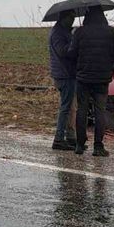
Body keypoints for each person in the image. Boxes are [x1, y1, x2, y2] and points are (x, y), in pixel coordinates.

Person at [67, 6, 114, 157]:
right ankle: (98, 147)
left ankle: (80, 145)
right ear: (103, 16)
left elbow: (71, 53)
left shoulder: (80, 32)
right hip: (102, 78)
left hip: (83, 78)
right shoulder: (111, 32)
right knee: (100, 111)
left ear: (87, 16)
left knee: (82, 110)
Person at [48, 11, 78, 151]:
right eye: (70, 18)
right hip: (64, 74)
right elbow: (63, 51)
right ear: (63, 18)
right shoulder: (58, 33)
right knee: (66, 107)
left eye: (73, 18)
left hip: (64, 73)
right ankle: (59, 139)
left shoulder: (62, 31)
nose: (72, 20)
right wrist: (74, 43)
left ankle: (71, 138)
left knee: (70, 107)